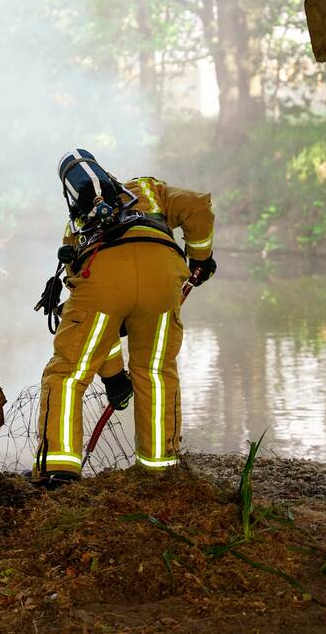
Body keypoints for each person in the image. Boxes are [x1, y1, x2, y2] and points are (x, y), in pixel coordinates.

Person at [34, 149, 216, 484]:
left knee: (69, 373)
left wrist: (114, 378)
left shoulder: (76, 226)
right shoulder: (149, 189)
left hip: (100, 278)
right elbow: (197, 206)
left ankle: (59, 470)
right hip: (162, 279)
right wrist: (200, 257)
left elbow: (99, 329)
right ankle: (160, 466)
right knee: (156, 371)